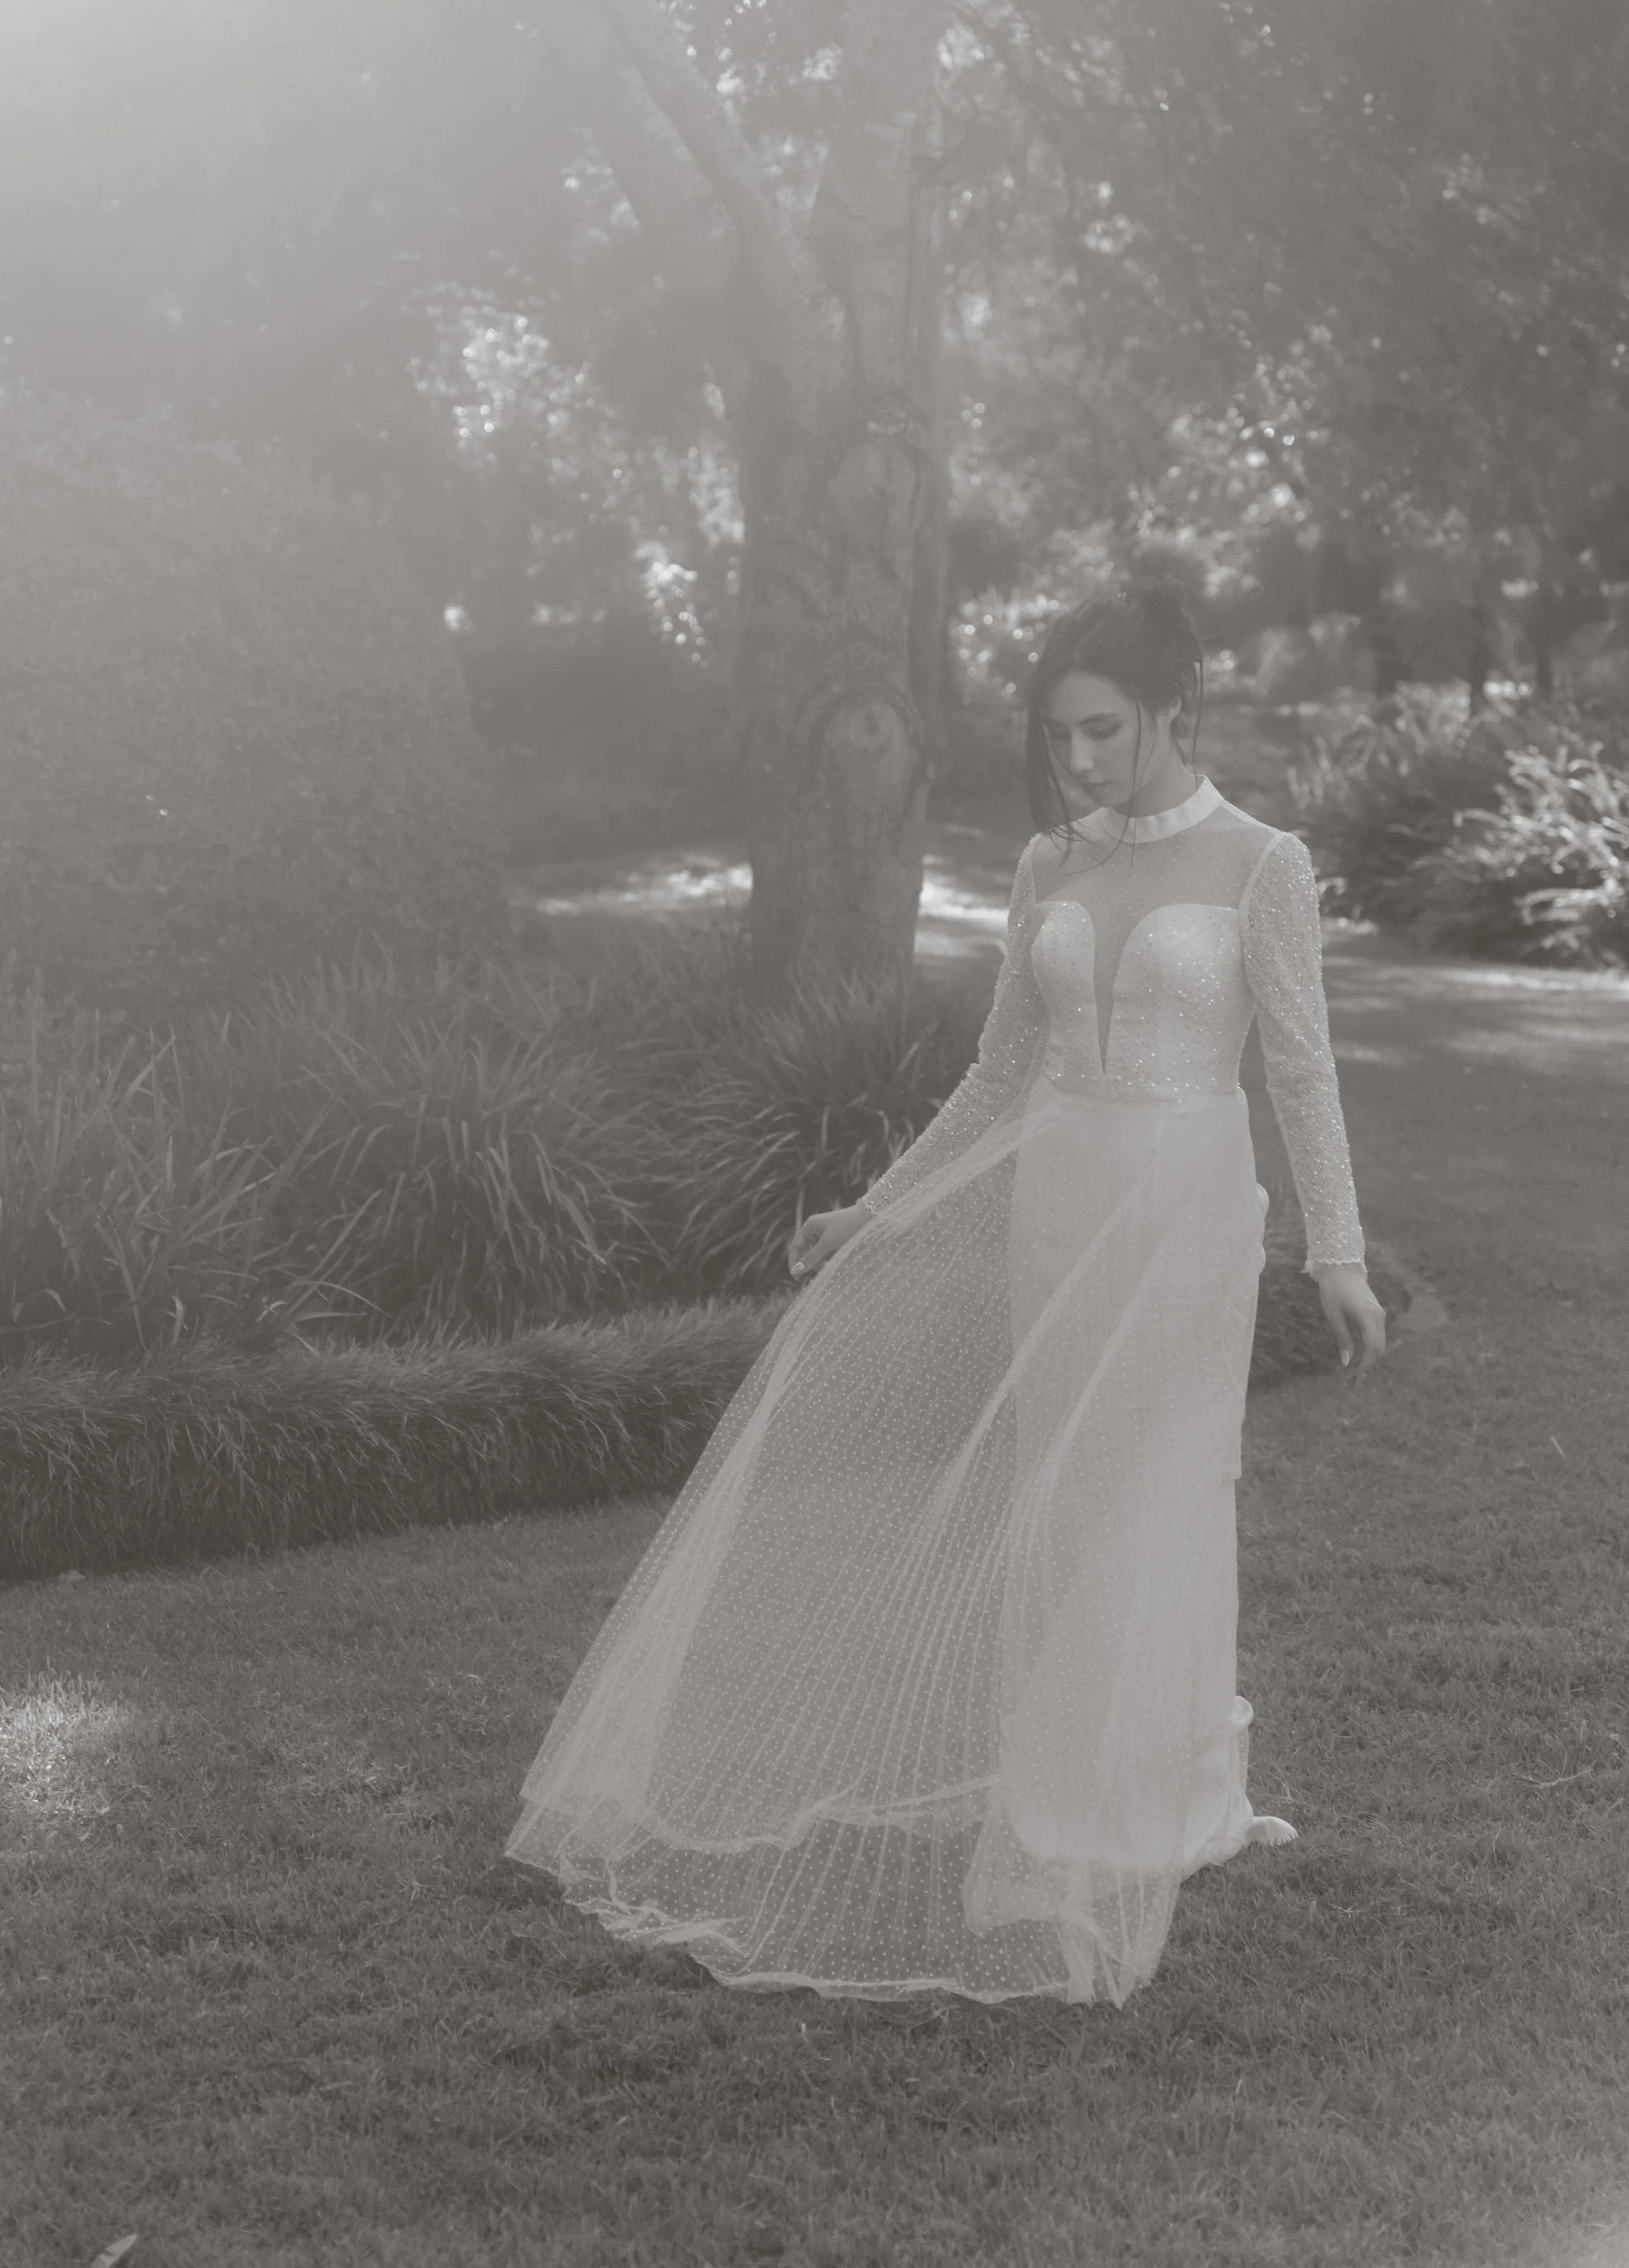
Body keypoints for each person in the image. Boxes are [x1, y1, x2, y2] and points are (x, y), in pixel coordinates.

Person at [506, 582, 1386, 2007]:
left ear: (1175, 708)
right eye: (1058, 733)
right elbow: (995, 1075)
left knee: (1163, 1487)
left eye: (1103, 727)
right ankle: (1070, 1789)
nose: (1080, 757)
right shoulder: (1049, 861)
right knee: (1061, 1485)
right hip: (1064, 1195)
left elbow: (1297, 1065)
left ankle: (1153, 1800)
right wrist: (880, 1201)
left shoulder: (1256, 862)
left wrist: (1335, 1248)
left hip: (1180, 1208)